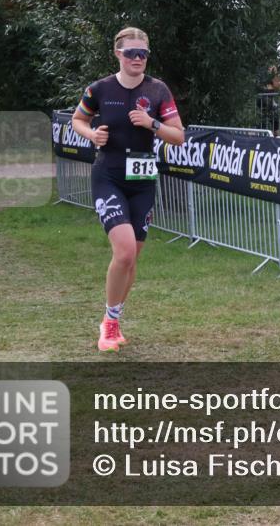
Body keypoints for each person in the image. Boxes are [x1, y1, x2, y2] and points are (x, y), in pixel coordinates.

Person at [71, 27, 185, 352]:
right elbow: (77, 120)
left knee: (131, 259)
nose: (137, 59)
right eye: (131, 53)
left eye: (143, 54)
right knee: (123, 251)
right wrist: (91, 135)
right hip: (109, 176)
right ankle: (107, 324)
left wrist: (152, 124)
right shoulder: (100, 89)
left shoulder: (158, 90)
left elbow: (178, 135)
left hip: (143, 181)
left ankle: (115, 319)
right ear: (117, 54)